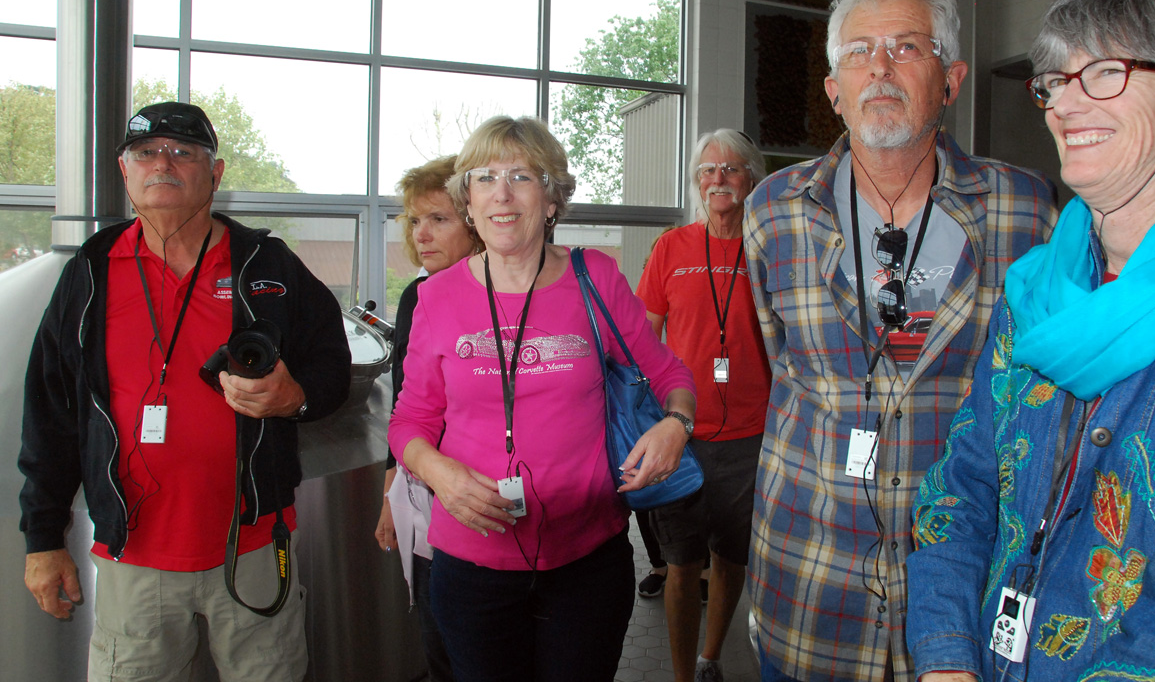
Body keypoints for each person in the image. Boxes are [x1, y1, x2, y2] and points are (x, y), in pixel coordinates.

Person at [742, 0, 1057, 682]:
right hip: (811, 578)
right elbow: (781, 362)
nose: (880, 67)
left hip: (960, 589)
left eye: (907, 47)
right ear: (834, 90)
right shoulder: (774, 211)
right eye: (859, 52)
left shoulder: (1025, 211)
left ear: (951, 80)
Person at [906, 0, 1155, 682]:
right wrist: (946, 656)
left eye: (1106, 71)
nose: (1065, 104)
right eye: (1057, 81)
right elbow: (962, 485)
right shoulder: (1032, 291)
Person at [19, 101, 351, 681]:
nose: (162, 164)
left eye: (183, 152)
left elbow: (333, 368)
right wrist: (43, 539)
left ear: (215, 174)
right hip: (133, 553)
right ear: (125, 172)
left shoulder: (267, 266)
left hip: (254, 545)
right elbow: (51, 411)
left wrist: (294, 399)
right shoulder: (91, 271)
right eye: (145, 152)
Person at [388, 115, 697, 682]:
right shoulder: (436, 297)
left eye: (522, 177)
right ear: (469, 201)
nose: (502, 194)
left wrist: (677, 424)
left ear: (552, 199)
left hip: (586, 562)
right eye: (485, 178)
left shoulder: (595, 278)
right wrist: (438, 473)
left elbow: (668, 372)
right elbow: (410, 419)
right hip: (473, 560)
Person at [636, 128, 772, 682]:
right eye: (708, 170)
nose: (719, 179)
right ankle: (680, 676)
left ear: (751, 179)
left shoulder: (769, 248)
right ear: (697, 182)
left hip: (751, 436)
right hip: (682, 434)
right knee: (681, 563)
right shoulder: (672, 247)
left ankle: (710, 657)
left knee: (731, 559)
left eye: (731, 169)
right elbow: (643, 338)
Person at [373, 155, 479, 682]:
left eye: (438, 219)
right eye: (415, 220)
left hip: (489, 490)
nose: (422, 234)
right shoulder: (417, 294)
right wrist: (390, 493)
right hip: (425, 492)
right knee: (439, 640)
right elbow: (404, 400)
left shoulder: (507, 292)